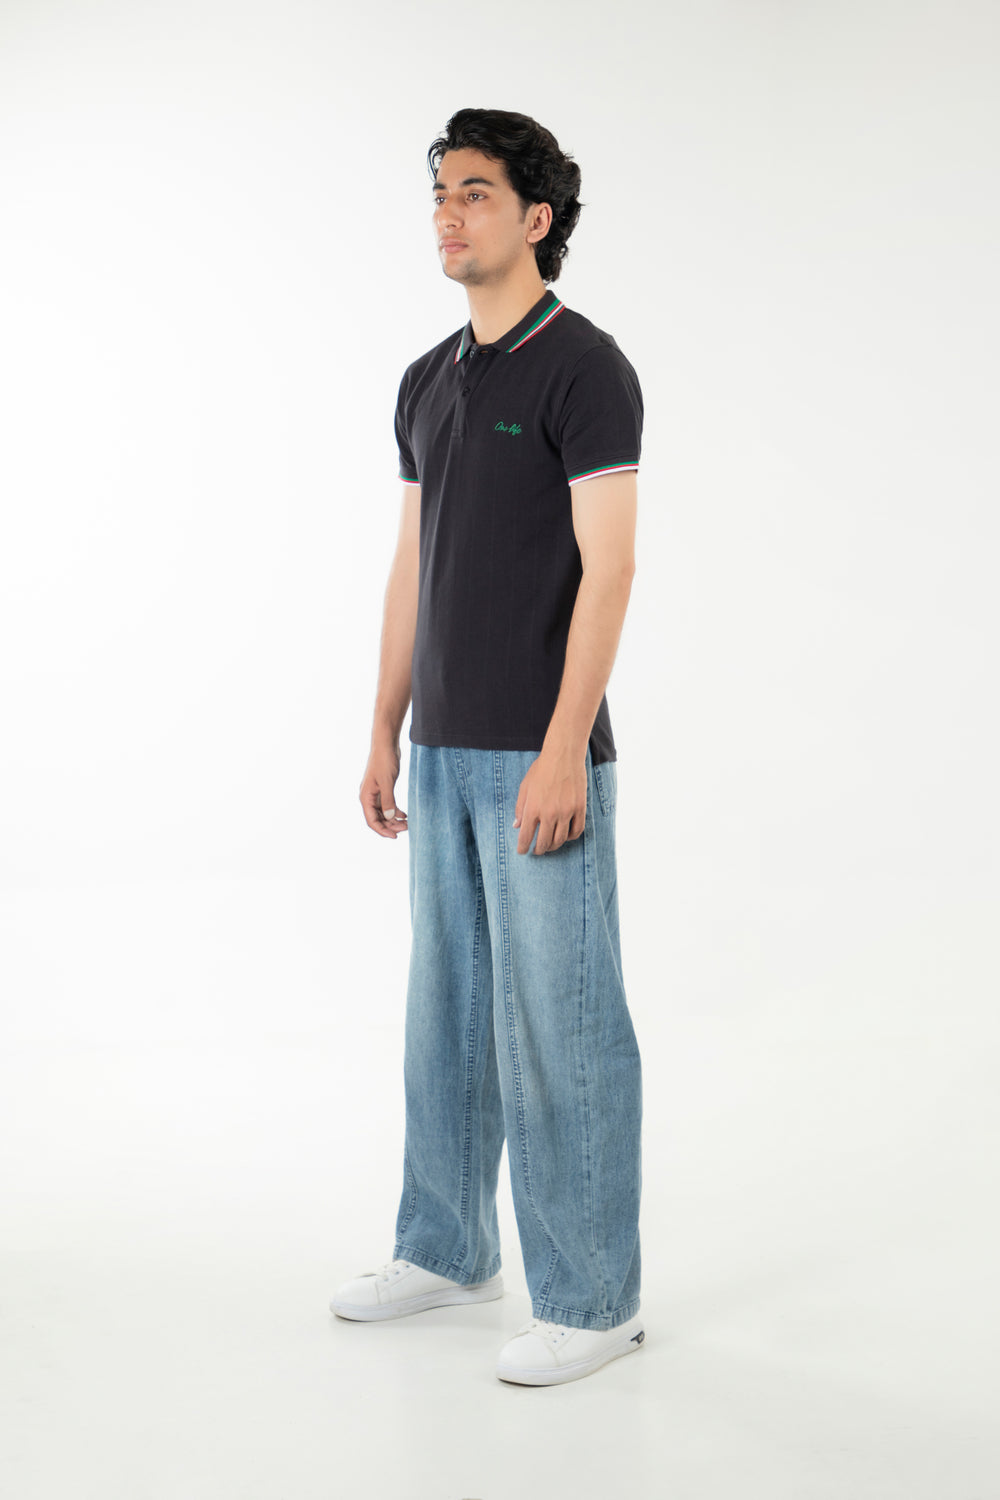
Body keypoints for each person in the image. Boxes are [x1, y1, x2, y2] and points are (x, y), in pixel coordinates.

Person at [331, 107, 644, 1387]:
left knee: (559, 1025)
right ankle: (447, 1247)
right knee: (447, 1014)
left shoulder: (585, 367)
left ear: (536, 218)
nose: (447, 214)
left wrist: (565, 746)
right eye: (439, 194)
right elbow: (413, 563)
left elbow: (611, 569)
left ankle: (594, 1300)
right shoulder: (426, 380)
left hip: (538, 752)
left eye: (474, 192)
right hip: (444, 745)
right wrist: (382, 723)